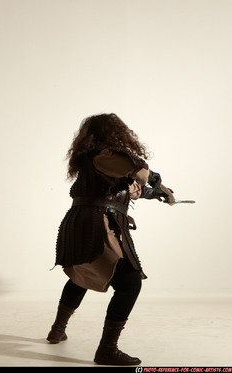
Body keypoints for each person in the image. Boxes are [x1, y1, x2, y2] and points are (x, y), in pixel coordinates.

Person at [47, 113, 175, 365]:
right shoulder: (105, 155)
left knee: (83, 271)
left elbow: (130, 187)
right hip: (96, 222)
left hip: (81, 220)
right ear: (113, 133)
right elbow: (138, 170)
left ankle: (57, 329)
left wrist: (156, 193)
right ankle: (107, 349)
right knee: (129, 283)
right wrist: (162, 184)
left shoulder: (96, 160)